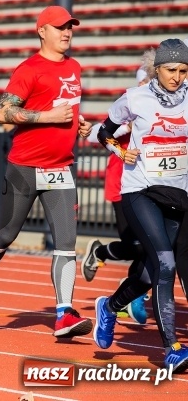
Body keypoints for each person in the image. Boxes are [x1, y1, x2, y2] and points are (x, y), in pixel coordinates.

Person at [0, 5, 94, 338]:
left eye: (70, 27)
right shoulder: (29, 69)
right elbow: (3, 112)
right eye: (60, 27)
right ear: (42, 31)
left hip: (61, 168)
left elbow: (67, 109)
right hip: (25, 169)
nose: (67, 32)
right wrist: (48, 118)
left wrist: (78, 125)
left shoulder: (75, 67)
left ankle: (63, 314)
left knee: (66, 245)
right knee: (6, 235)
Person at [92, 38, 188, 372]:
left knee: (150, 273)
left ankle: (109, 306)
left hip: (178, 195)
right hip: (141, 190)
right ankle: (172, 348)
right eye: (171, 69)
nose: (176, 76)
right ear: (157, 69)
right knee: (164, 263)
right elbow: (105, 132)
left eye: (183, 70)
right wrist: (120, 151)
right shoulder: (136, 98)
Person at [82, 59, 154, 325]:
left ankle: (132, 295)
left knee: (151, 247)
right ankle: (101, 254)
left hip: (154, 184)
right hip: (122, 182)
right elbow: (99, 133)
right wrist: (129, 127)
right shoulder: (133, 101)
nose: (144, 86)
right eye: (142, 82)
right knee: (139, 246)